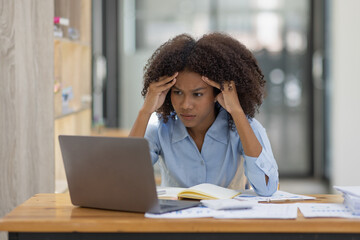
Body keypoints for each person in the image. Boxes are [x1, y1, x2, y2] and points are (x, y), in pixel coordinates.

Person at [129, 32, 278, 196]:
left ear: (217, 93)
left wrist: (236, 111)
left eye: (197, 94)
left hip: (227, 219)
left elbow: (266, 188)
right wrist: (145, 111)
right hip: (175, 219)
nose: (185, 105)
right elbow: (125, 179)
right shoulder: (159, 127)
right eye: (177, 92)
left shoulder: (244, 127)